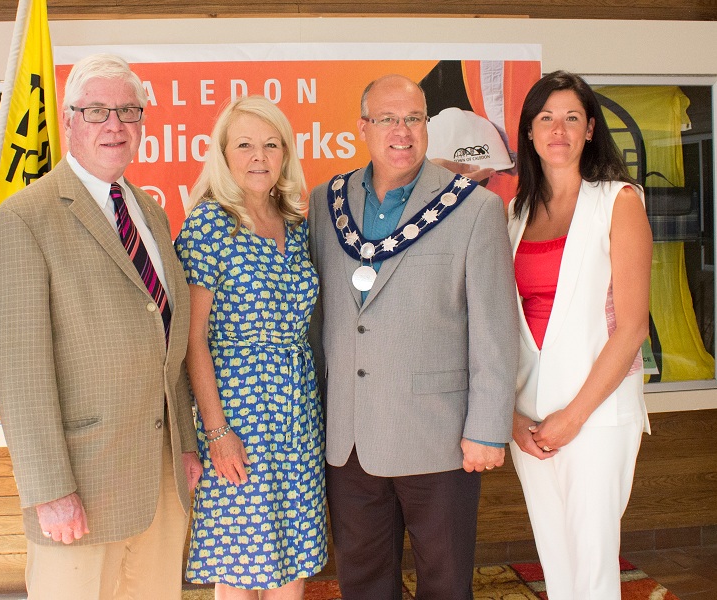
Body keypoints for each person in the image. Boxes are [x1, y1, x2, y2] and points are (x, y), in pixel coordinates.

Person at [0, 53, 202, 600]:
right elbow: (17, 370)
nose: (114, 125)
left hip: (160, 482)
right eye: (97, 110)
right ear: (70, 118)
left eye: (128, 111)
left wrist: (188, 445)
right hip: (80, 489)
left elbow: (164, 341)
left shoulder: (150, 213)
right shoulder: (25, 218)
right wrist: (50, 488)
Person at [308, 74, 519, 599]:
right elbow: (317, 324)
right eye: (387, 119)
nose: (402, 131)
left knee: (446, 582)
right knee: (362, 580)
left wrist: (489, 429)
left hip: (440, 440)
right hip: (349, 442)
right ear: (363, 127)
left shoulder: (474, 209)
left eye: (414, 119)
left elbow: (494, 328)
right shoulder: (323, 202)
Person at [508, 70, 652, 600]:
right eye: (546, 117)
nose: (558, 129)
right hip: (531, 418)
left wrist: (574, 416)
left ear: (591, 129)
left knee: (592, 566)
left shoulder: (619, 201)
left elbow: (633, 324)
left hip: (595, 413)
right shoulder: (515, 214)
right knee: (555, 557)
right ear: (528, 131)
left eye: (572, 117)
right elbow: (507, 325)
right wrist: (514, 417)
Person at [176, 96, 327, 599]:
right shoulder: (209, 225)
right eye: (244, 145)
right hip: (237, 413)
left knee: (292, 557)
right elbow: (193, 339)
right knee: (239, 563)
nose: (258, 156)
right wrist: (216, 432)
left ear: (285, 153)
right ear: (223, 153)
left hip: (297, 413)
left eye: (270, 144)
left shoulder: (298, 225)